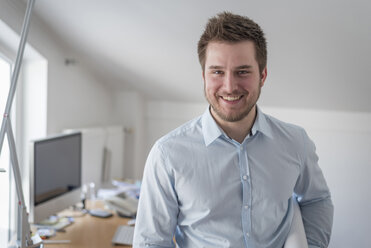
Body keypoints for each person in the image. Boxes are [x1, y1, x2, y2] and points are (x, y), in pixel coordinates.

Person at [133, 12, 333, 248]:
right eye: (217, 72)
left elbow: (317, 200)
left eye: (243, 71)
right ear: (204, 77)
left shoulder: (296, 142)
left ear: (263, 75)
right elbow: (151, 242)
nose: (229, 86)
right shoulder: (167, 155)